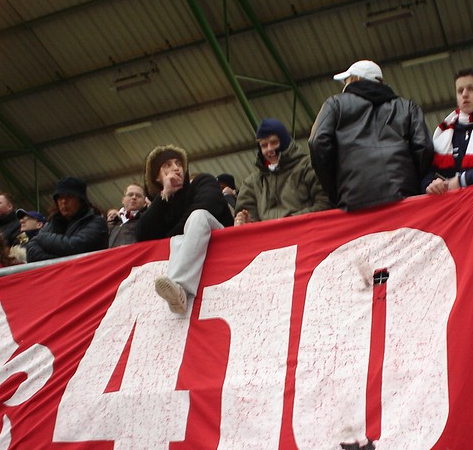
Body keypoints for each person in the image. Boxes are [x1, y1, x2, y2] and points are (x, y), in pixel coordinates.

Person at [308, 60, 433, 211]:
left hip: (354, 200)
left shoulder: (335, 104)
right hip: (404, 197)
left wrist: (335, 190)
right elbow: (424, 147)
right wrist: (414, 183)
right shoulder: (407, 107)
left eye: (346, 81)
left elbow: (317, 142)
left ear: (355, 79)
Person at [136, 144, 233, 314]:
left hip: (222, 241)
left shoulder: (203, 181)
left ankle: (179, 285)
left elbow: (209, 204)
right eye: (167, 165)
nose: (176, 168)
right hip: (197, 250)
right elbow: (142, 235)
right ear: (157, 177)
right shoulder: (161, 206)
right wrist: (163, 196)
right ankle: (177, 294)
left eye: (179, 163)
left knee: (198, 216)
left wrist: (171, 236)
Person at [234, 119, 330, 225]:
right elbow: (247, 213)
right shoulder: (251, 183)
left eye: (274, 142)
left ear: (285, 142)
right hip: (270, 235)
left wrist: (290, 222)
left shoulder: (309, 166)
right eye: (264, 145)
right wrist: (247, 221)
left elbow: (325, 203)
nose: (269, 149)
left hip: (307, 230)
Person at [25, 176, 109, 262]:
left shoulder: (96, 222)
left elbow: (76, 246)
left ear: (81, 200)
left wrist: (43, 238)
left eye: (70, 196)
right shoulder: (51, 224)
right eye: (60, 197)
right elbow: (31, 252)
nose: (64, 201)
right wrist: (61, 260)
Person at [108, 182, 148, 247]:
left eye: (138, 196)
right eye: (130, 194)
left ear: (144, 202)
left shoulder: (147, 220)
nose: (134, 197)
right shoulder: (112, 223)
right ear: (123, 200)